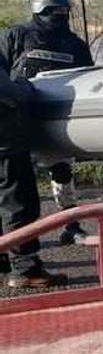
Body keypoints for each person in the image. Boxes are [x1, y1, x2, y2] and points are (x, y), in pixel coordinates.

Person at [0, 0, 93, 246]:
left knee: (62, 171)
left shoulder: (75, 44)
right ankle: (11, 244)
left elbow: (89, 78)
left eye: (64, 12)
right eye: (55, 11)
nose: (60, 16)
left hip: (56, 117)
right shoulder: (17, 36)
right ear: (41, 10)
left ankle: (70, 224)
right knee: (13, 186)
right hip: (16, 118)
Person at [0, 50, 66, 288]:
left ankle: (4, 263)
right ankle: (25, 268)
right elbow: (12, 95)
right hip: (6, 147)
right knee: (18, 207)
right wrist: (24, 84)